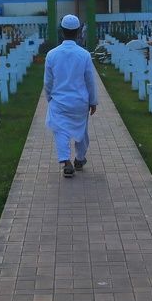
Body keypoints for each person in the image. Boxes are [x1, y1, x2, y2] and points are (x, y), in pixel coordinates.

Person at [44, 14, 97, 178]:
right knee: (81, 130)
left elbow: (48, 82)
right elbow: (90, 81)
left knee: (60, 131)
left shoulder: (52, 54)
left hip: (59, 101)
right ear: (78, 32)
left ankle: (65, 161)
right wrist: (93, 101)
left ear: (61, 31)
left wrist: (49, 98)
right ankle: (79, 159)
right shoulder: (84, 54)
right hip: (80, 101)